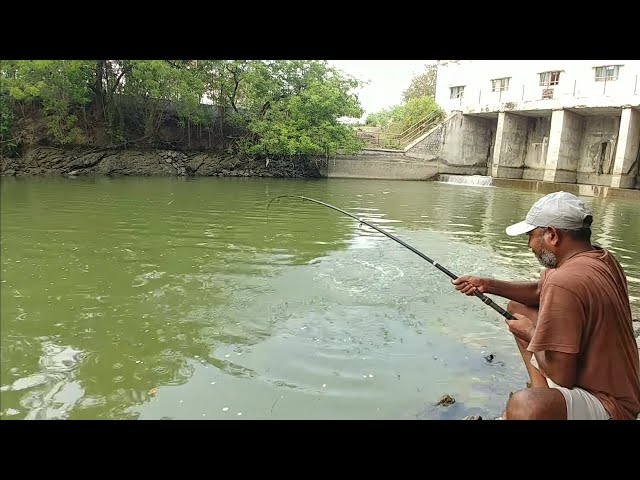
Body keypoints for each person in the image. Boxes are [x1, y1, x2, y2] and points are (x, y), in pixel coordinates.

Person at [452, 191, 640, 420]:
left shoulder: (564, 281)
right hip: (624, 388)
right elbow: (540, 292)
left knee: (525, 407)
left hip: (610, 405)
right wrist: (487, 284)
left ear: (552, 235)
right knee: (518, 308)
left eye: (531, 236)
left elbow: (562, 376)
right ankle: (543, 392)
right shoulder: (600, 258)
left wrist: (531, 334)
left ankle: (543, 404)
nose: (530, 245)